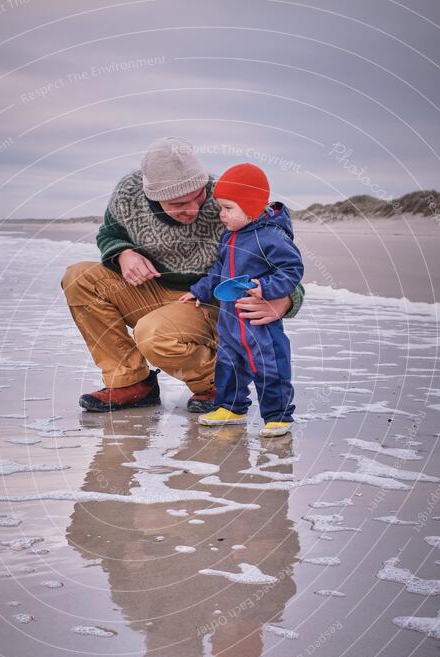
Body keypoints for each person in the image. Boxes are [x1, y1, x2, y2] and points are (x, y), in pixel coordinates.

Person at [60, 137, 305, 413]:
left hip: (208, 303)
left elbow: (281, 259)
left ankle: (216, 382)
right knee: (79, 277)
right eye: (178, 203)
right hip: (152, 291)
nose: (192, 208)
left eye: (197, 195)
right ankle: (131, 382)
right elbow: (110, 234)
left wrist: (285, 300)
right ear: (152, 197)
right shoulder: (128, 194)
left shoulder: (227, 200)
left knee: (152, 334)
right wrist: (123, 253)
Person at [179, 163, 303, 436]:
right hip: (230, 319)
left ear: (251, 207)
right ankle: (232, 407)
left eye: (228, 208)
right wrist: (199, 290)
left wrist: (267, 287)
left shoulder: (270, 237)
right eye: (221, 207)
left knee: (268, 365)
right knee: (229, 363)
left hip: (256, 320)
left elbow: (292, 269)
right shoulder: (230, 236)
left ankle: (278, 415)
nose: (221, 214)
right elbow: (218, 270)